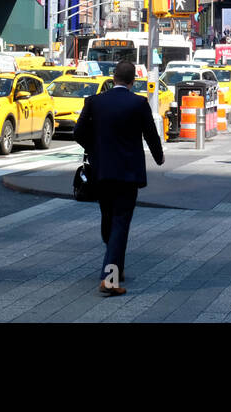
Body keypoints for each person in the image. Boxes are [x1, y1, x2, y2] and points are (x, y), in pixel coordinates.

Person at [72, 60, 166, 296]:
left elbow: (78, 132)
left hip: (102, 172)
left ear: (113, 78)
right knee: (120, 223)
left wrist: (95, 150)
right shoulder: (139, 103)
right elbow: (151, 135)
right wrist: (159, 158)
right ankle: (110, 279)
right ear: (133, 81)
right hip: (127, 174)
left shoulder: (94, 102)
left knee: (108, 218)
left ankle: (115, 265)